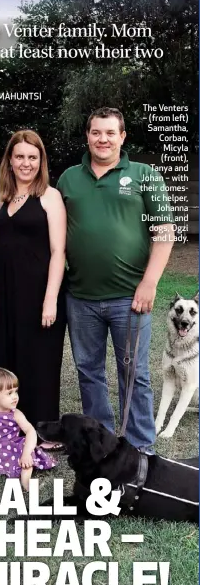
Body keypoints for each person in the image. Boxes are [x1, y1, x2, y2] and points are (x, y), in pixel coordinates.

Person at [57, 107, 174, 454]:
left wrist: (150, 283)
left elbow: (165, 233)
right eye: (96, 132)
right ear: (87, 136)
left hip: (130, 297)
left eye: (110, 133)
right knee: (88, 372)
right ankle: (101, 441)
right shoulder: (68, 179)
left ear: (122, 137)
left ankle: (140, 447)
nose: (102, 139)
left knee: (134, 376)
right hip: (80, 297)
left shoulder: (144, 174)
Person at [0, 130, 67, 446]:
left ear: (41, 161)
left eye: (32, 158)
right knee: (11, 359)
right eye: (20, 156)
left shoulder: (50, 196)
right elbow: (8, 244)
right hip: (8, 292)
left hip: (40, 292)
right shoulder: (4, 197)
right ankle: (13, 427)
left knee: (40, 361)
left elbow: (58, 252)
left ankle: (45, 430)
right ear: (10, 160)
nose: (26, 163)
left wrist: (50, 299)